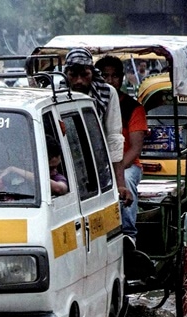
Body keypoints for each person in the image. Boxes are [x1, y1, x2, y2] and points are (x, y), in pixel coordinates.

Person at [62, 48, 131, 206]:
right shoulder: (55, 92)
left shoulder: (107, 92)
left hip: (96, 162)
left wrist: (120, 184)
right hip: (64, 165)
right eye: (73, 75)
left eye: (84, 75)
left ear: (92, 73)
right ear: (66, 74)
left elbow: (114, 137)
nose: (79, 81)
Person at [95, 55, 148, 243]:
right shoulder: (91, 104)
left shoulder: (133, 108)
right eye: (105, 76)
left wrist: (114, 169)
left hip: (127, 165)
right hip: (96, 166)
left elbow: (135, 148)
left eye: (114, 76)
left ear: (122, 78)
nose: (110, 81)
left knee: (124, 181)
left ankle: (128, 234)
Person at [0, 136, 69, 196]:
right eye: (50, 168)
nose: (55, 171)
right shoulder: (11, 175)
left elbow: (60, 189)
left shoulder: (56, 178)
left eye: (57, 167)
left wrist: (13, 169)